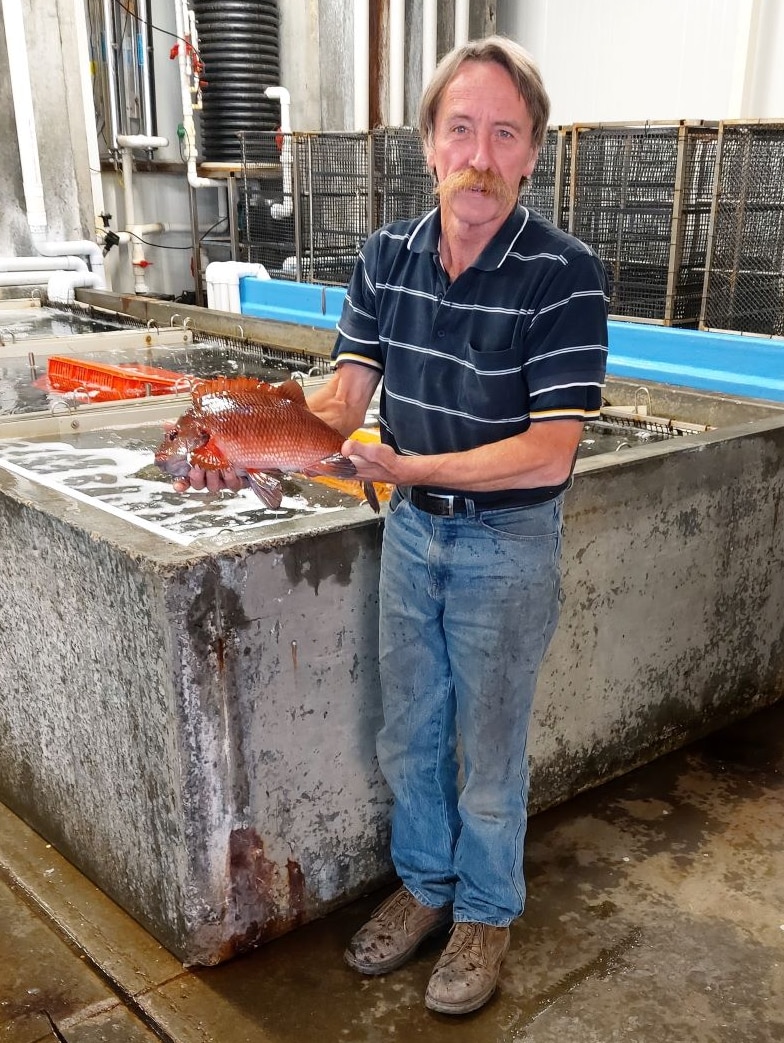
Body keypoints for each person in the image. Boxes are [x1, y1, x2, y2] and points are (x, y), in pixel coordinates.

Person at [177, 35, 608, 1016]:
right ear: (427, 142)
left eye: (504, 133)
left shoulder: (563, 275)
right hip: (413, 534)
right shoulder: (386, 258)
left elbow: (549, 450)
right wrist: (241, 441)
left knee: (488, 743)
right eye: (461, 127)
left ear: (533, 153)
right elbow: (337, 405)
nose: (480, 154)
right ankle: (425, 883)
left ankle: (486, 908)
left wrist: (407, 464)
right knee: (410, 731)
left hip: (506, 539)